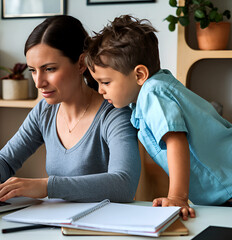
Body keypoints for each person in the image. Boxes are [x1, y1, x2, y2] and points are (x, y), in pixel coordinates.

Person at [0, 15, 141, 205]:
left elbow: (124, 184)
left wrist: (46, 187)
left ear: (81, 64)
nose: (39, 82)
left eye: (49, 69)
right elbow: (7, 159)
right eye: (32, 70)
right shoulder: (45, 111)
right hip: (55, 226)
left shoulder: (114, 114)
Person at [85, 14, 232, 220]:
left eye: (106, 82)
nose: (100, 90)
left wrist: (178, 197)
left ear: (139, 75)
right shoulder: (145, 98)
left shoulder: (153, 92)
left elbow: (175, 140)